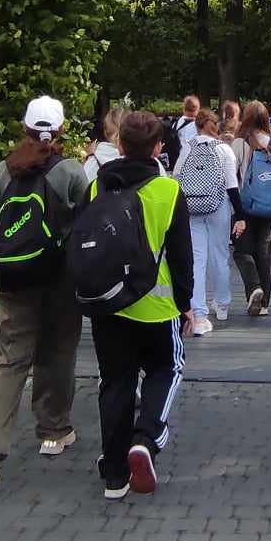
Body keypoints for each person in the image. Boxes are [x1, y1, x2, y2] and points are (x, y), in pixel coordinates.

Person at [0, 96, 93, 497]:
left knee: (9, 359)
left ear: (25, 128)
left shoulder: (3, 172)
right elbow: (85, 227)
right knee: (58, 351)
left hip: (13, 280)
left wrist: (0, 272)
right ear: (62, 130)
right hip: (59, 281)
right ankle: (54, 431)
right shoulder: (70, 172)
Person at [87, 111, 197, 500]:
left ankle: (114, 474)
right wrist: (185, 303)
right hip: (156, 305)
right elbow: (182, 256)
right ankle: (146, 437)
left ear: (119, 144)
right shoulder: (168, 191)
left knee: (115, 382)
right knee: (166, 369)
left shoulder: (98, 185)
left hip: (109, 303)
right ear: (158, 147)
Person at [175, 108, 239, 333]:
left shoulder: (187, 147)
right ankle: (222, 303)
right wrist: (240, 215)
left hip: (192, 207)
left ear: (197, 126)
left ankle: (199, 315)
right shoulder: (223, 149)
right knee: (220, 255)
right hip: (218, 205)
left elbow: (177, 177)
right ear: (215, 126)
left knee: (197, 259)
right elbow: (232, 185)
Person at [229, 101, 271, 316]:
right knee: (263, 252)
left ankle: (254, 288)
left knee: (242, 250)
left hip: (246, 206)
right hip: (270, 207)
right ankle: (265, 304)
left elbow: (230, 176)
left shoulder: (240, 143)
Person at [82, 106, 127, 184]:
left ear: (105, 132)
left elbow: (84, 182)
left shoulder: (94, 155)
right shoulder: (138, 158)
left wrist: (86, 157)